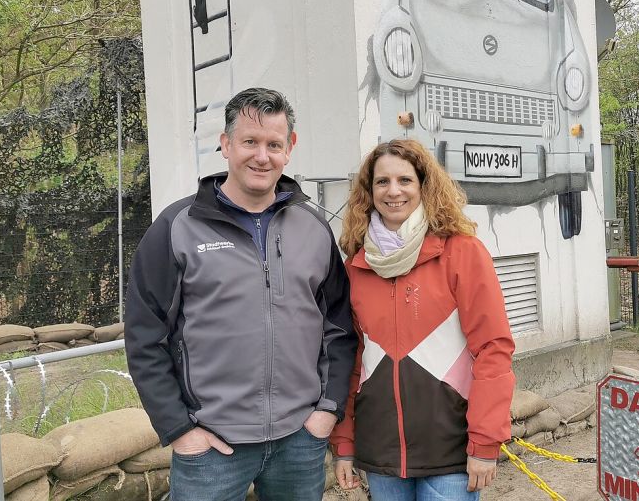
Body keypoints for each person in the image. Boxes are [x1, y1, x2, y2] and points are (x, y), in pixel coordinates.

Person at [124, 87, 358, 501]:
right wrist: (179, 429)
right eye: (249, 142)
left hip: (299, 440)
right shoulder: (177, 227)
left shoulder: (314, 228)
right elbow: (145, 336)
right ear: (226, 144)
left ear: (290, 149)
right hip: (211, 446)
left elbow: (339, 329)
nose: (261, 156)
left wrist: (327, 410)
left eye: (273, 144)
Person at [330, 139, 516, 500]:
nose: (393, 191)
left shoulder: (461, 251)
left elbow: (493, 349)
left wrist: (485, 442)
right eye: (382, 181)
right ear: (369, 191)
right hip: (381, 453)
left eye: (405, 180)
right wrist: (345, 442)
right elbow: (352, 360)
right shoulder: (356, 264)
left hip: (450, 453)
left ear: (423, 186)